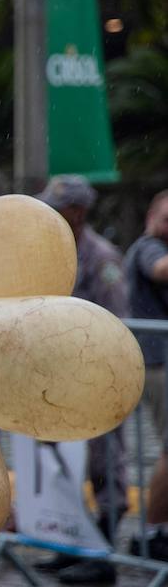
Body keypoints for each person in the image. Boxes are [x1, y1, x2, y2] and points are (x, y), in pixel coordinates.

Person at [28, 176, 131, 584]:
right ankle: (72, 543)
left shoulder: (101, 257)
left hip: (95, 374)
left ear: (78, 212)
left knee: (105, 462)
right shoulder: (50, 252)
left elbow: (116, 322)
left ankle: (103, 553)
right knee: (56, 459)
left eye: (57, 207)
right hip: (57, 376)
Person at [128, 190, 168, 563]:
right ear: (151, 217)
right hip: (158, 362)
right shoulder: (148, 248)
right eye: (166, 218)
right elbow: (159, 268)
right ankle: (153, 531)